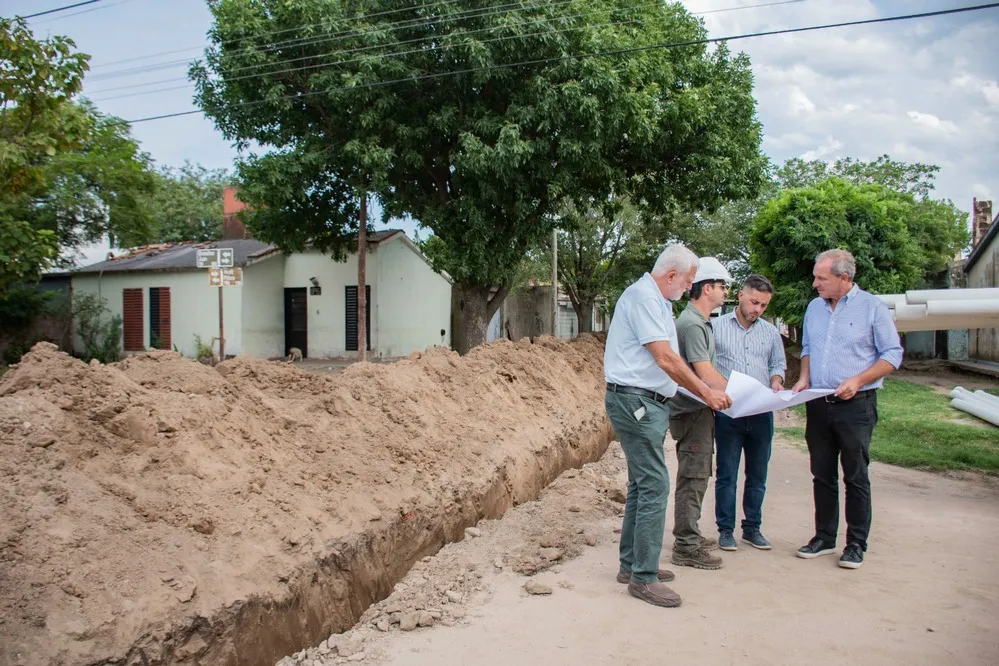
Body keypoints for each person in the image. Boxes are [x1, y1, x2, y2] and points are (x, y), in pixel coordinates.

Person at [604, 243, 732, 608]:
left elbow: (668, 360)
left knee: (642, 484)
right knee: (655, 485)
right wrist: (706, 391)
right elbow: (665, 358)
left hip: (645, 401)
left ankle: (632, 565)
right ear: (672, 274)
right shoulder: (643, 297)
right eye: (689, 280)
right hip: (636, 402)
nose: (689, 288)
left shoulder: (657, 301)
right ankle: (642, 577)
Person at [792, 249, 902, 569]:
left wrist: (859, 379)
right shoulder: (814, 308)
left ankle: (855, 544)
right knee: (821, 474)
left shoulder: (872, 308)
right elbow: (809, 348)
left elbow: (892, 355)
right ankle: (824, 537)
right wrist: (803, 379)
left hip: (856, 405)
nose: (815, 283)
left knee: (855, 476)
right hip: (818, 403)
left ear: (844, 279)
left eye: (821, 278)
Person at [712, 274, 786, 552]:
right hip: (729, 413)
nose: (758, 309)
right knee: (727, 473)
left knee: (758, 474)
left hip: (760, 413)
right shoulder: (715, 327)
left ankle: (752, 528)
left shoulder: (769, 333)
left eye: (764, 305)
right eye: (754, 302)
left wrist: (777, 380)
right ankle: (726, 529)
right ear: (741, 295)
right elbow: (706, 366)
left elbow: (777, 364)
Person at [667, 256, 732, 571]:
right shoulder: (692, 324)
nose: (724, 292)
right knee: (693, 477)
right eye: (722, 286)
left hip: (697, 411)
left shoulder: (698, 322)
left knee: (698, 474)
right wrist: (742, 393)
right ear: (707, 288)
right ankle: (686, 546)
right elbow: (705, 375)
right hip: (692, 412)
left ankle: (690, 534)